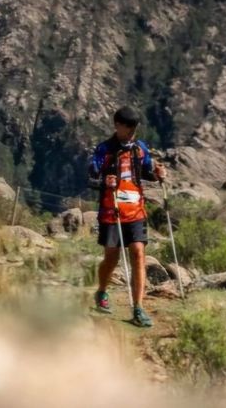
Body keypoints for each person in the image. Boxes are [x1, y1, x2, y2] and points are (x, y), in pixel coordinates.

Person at [88, 106, 166, 327]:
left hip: (136, 210)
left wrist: (159, 174)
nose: (132, 131)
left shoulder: (140, 149)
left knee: (139, 254)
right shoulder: (104, 149)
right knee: (111, 257)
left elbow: (148, 171)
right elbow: (91, 177)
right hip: (111, 211)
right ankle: (102, 292)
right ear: (117, 126)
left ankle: (138, 308)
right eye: (128, 127)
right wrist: (104, 182)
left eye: (135, 127)